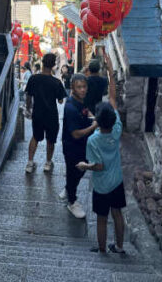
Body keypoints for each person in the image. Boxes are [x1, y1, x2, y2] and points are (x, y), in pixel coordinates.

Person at [77, 58, 125, 254]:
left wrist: (84, 166)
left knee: (102, 218)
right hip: (117, 181)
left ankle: (103, 249)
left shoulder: (93, 140)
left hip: (101, 186)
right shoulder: (117, 130)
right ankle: (120, 247)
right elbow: (113, 98)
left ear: (97, 119)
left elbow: (98, 166)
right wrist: (111, 70)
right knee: (118, 214)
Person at [61, 73, 98, 219]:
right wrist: (93, 126)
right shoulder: (71, 108)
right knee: (75, 172)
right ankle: (71, 201)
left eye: (84, 87)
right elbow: (75, 134)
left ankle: (68, 188)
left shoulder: (80, 101)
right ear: (73, 89)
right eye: (79, 87)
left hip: (82, 145)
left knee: (78, 171)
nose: (82, 90)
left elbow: (86, 110)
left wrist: (92, 117)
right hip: (72, 147)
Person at [24, 53, 67, 174]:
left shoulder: (33, 78)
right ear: (53, 65)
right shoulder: (56, 82)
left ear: (42, 63)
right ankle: (48, 163)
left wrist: (28, 108)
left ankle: (30, 163)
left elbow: (28, 96)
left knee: (35, 137)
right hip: (51, 115)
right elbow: (60, 100)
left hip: (37, 113)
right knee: (50, 140)